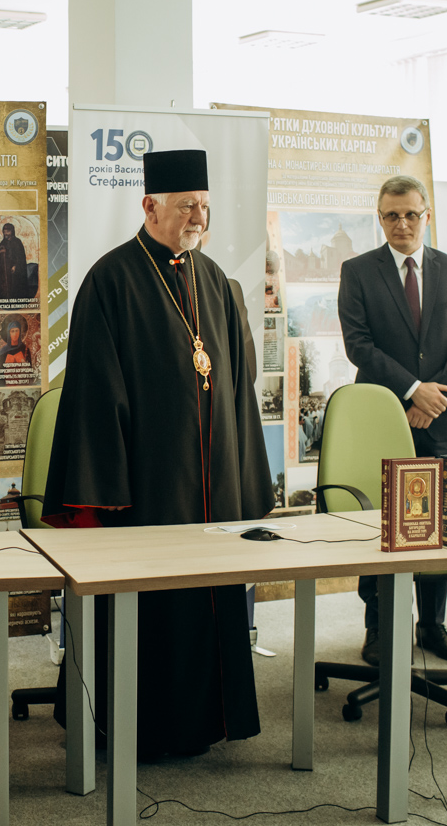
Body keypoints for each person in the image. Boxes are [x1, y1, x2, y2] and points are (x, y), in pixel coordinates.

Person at [41, 148, 274, 760]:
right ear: (149, 206)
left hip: (212, 487)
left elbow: (238, 384)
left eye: (204, 207)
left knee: (208, 601)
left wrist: (243, 479)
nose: (198, 218)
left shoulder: (215, 280)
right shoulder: (111, 279)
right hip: (148, 487)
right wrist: (106, 492)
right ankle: (133, 727)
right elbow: (94, 397)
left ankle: (206, 723)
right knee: (151, 611)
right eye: (186, 206)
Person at [338, 174, 447, 666]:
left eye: (411, 214)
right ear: (380, 219)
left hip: (441, 418)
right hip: (384, 416)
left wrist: (432, 396)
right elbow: (358, 345)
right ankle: (379, 627)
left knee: (436, 526)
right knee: (384, 527)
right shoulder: (358, 270)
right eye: (392, 215)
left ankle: (433, 625)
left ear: (427, 216)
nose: (402, 223)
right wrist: (411, 389)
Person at [0, 220, 32, 303]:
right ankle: (5, 297)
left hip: (15, 269)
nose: (6, 233)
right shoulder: (3, 242)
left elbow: (20, 256)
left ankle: (16, 298)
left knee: (14, 285)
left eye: (8, 231)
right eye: (4, 231)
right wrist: (0, 253)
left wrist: (15, 266)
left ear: (12, 231)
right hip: (5, 270)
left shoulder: (17, 242)